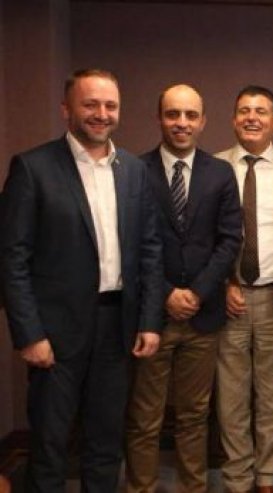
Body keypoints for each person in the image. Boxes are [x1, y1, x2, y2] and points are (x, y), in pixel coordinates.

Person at [0, 68, 164, 492]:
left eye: (110, 105)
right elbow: (11, 258)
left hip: (117, 327)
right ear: (66, 109)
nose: (101, 114)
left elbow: (149, 249)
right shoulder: (33, 168)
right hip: (54, 333)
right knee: (50, 444)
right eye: (90, 104)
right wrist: (29, 334)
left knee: (106, 443)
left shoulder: (134, 170)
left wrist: (149, 321)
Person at [125, 84, 242, 492]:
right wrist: (166, 293)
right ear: (159, 118)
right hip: (151, 316)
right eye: (173, 114)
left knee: (194, 416)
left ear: (203, 121)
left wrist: (197, 293)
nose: (182, 123)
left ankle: (193, 488)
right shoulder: (135, 171)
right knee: (145, 418)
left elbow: (230, 240)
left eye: (191, 115)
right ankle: (141, 487)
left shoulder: (220, 173)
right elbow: (132, 243)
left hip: (202, 316)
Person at [215, 85, 273, 493]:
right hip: (230, 299)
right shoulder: (214, 167)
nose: (251, 117)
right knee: (231, 397)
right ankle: (238, 478)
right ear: (233, 119)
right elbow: (202, 238)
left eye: (261, 111)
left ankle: (267, 476)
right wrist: (222, 283)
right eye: (244, 110)